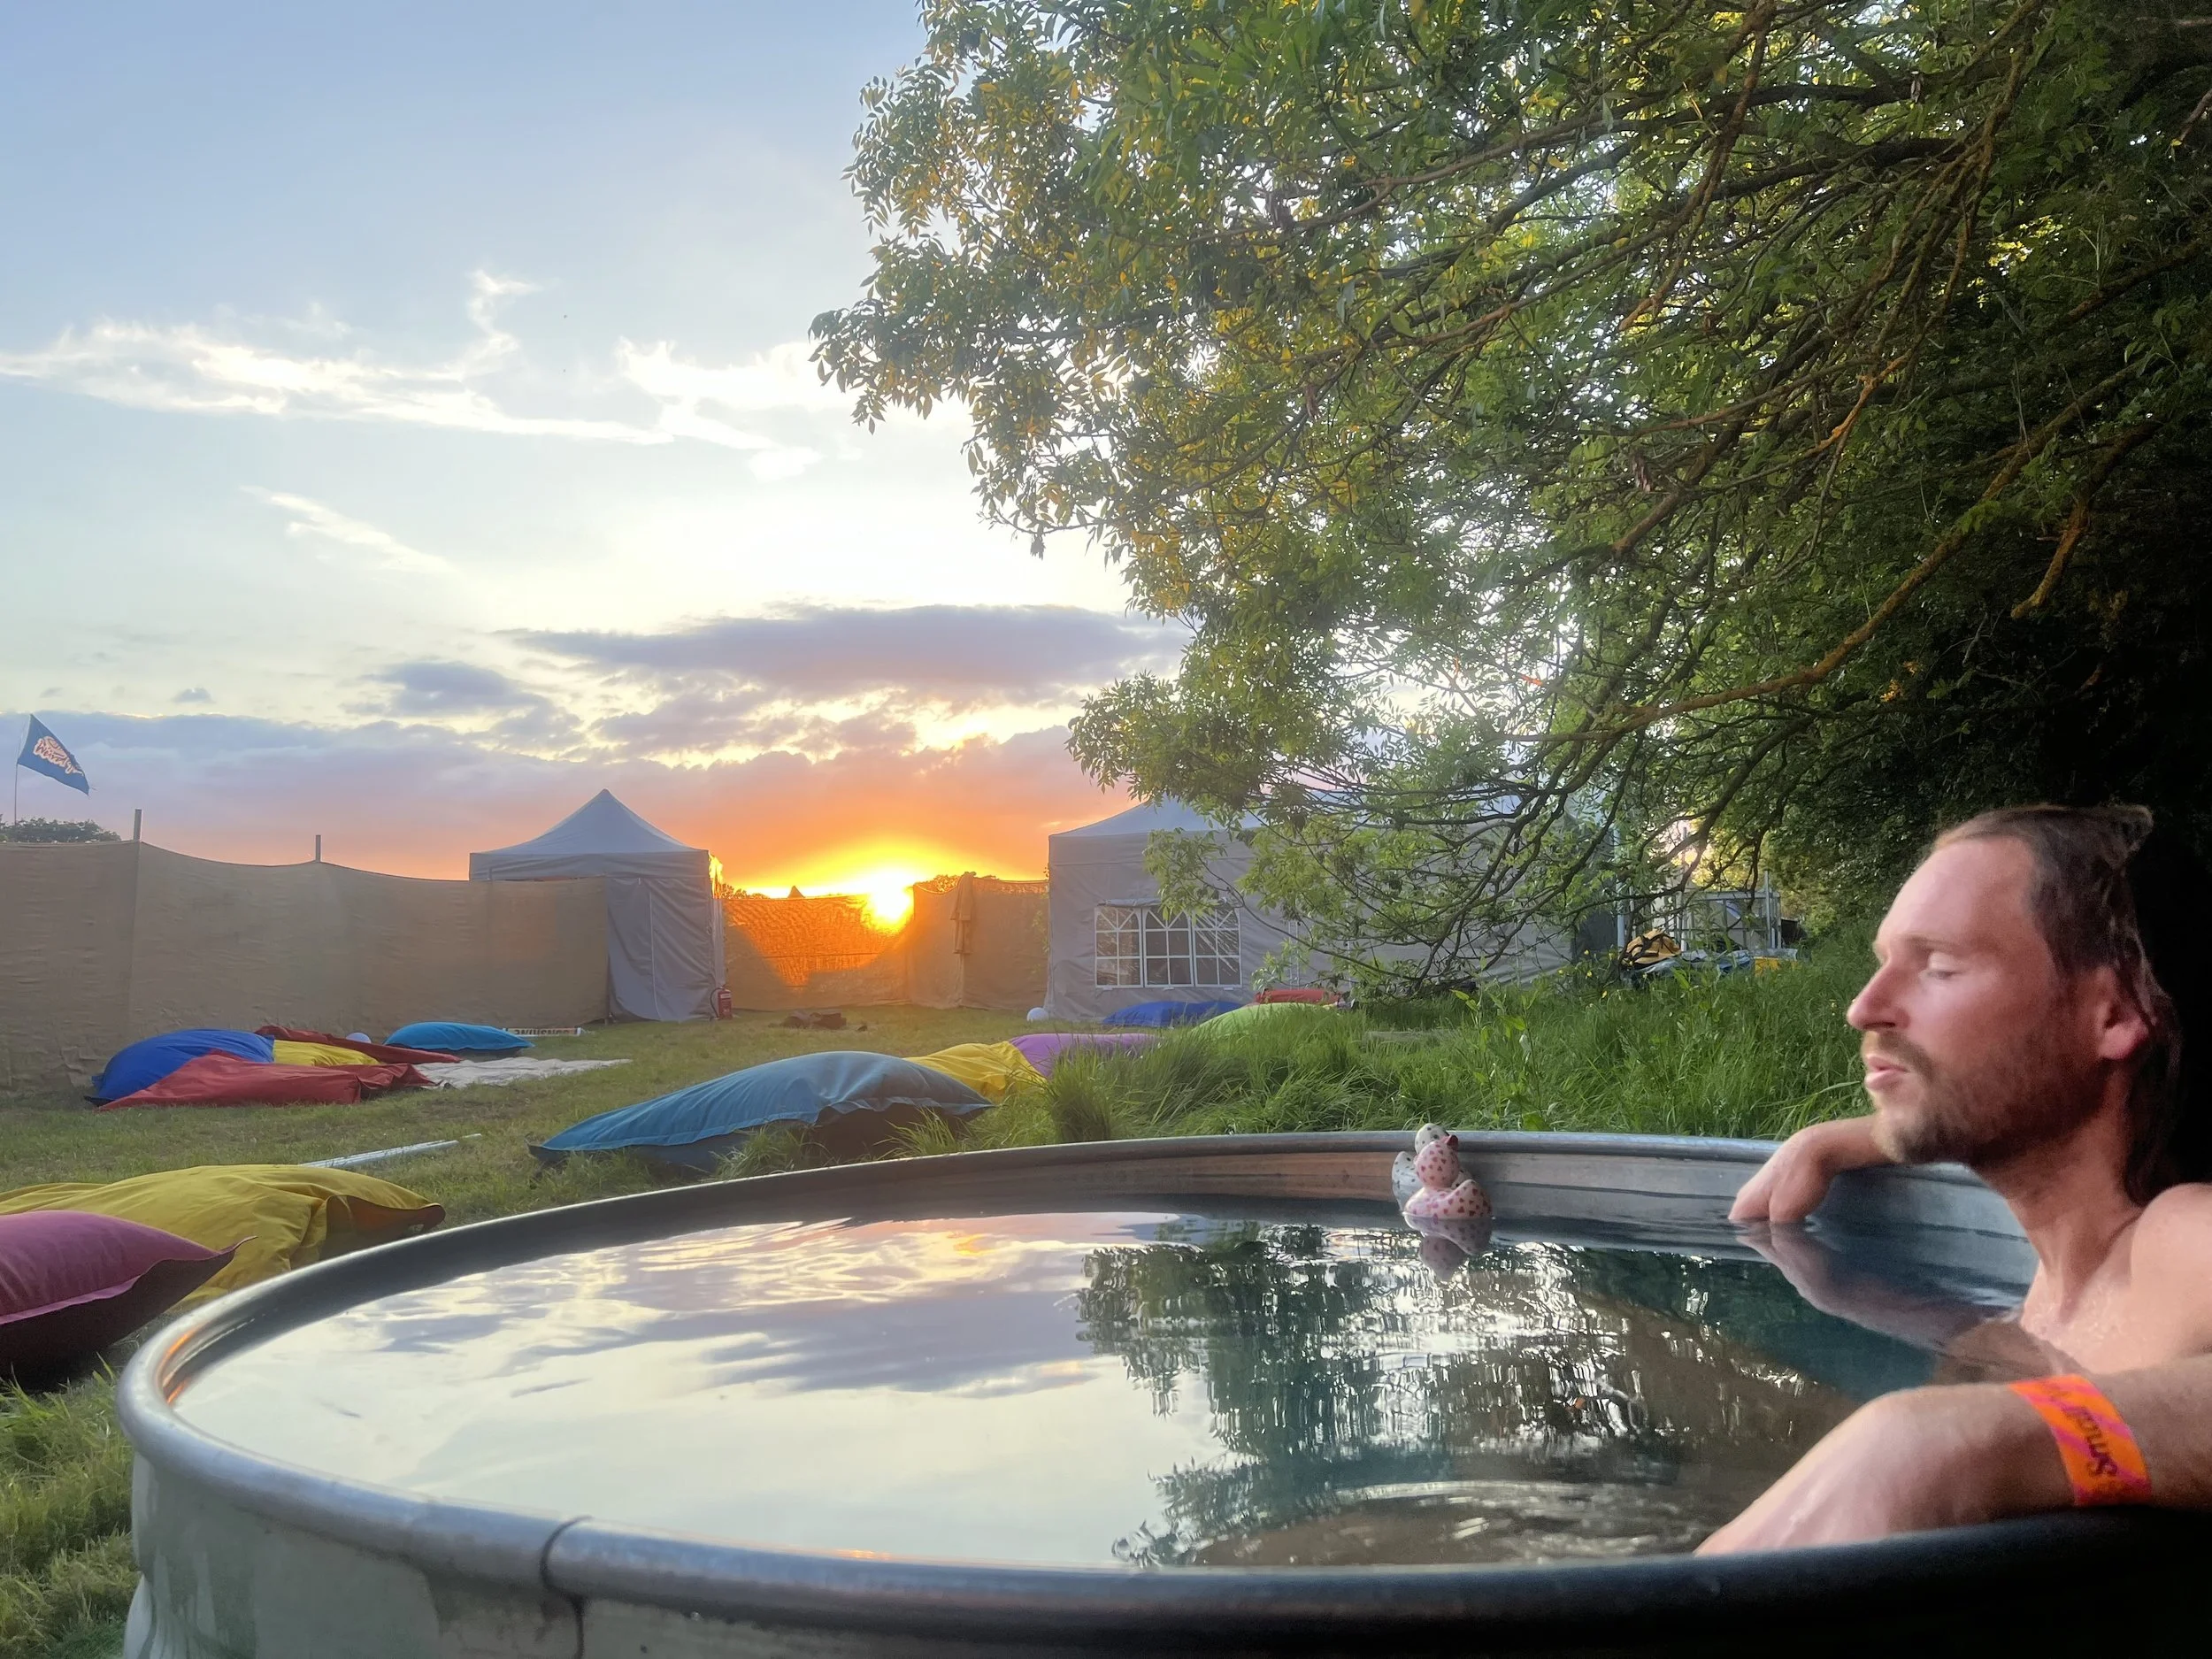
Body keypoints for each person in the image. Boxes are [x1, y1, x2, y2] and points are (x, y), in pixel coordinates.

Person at [1700, 803, 2212, 1553]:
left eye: (1939, 966)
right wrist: (1847, 1139)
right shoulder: (2042, 1307)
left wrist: (1942, 1439)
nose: (1864, 1007)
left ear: (2113, 1015)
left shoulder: (2176, 1236)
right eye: (1884, 960)